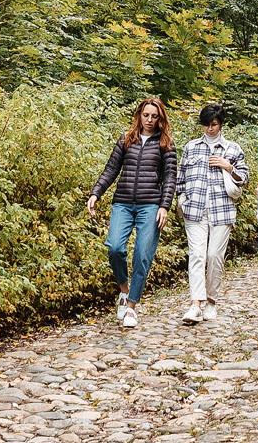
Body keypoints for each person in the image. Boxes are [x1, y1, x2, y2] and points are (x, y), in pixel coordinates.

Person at [87, 96, 180, 329]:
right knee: (115, 248)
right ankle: (124, 289)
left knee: (142, 255)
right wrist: (96, 193)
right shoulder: (126, 139)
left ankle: (131, 308)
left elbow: (170, 178)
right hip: (123, 203)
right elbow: (111, 169)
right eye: (145, 115)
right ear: (139, 115)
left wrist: (164, 206)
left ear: (161, 119)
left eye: (154, 116)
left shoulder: (166, 144)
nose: (149, 120)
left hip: (151, 206)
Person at [176, 102, 247, 324]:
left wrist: (228, 166)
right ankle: (195, 304)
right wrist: (182, 199)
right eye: (206, 124)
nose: (209, 129)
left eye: (214, 124)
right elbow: (181, 176)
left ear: (221, 124)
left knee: (214, 256)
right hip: (195, 210)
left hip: (222, 211)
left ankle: (211, 301)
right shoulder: (191, 147)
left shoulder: (232, 149)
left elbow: (243, 178)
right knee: (196, 255)